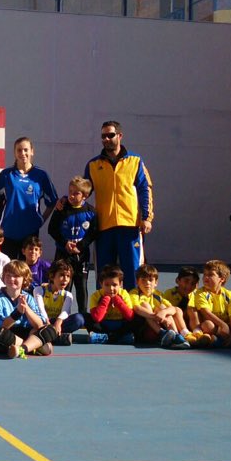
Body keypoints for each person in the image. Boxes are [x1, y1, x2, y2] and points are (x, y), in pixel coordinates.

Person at [82, 120, 154, 290]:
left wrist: (146, 217)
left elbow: (145, 189)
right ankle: (104, 312)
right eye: (103, 136)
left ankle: (132, 313)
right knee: (104, 273)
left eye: (110, 135)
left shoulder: (135, 161)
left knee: (133, 271)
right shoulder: (93, 165)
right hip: (104, 227)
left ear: (120, 136)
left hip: (130, 226)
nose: (106, 139)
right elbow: (82, 191)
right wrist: (67, 201)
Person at [0, 136, 58, 259]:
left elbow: (52, 201)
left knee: (26, 271)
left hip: (30, 233)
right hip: (8, 231)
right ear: (15, 153)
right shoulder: (7, 175)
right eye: (19, 150)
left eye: (26, 150)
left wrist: (41, 220)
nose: (23, 153)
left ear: (32, 151)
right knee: (8, 270)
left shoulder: (40, 175)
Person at [0, 260, 55, 359]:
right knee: (0, 335)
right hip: (4, 332)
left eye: (16, 276)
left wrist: (27, 309)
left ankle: (22, 349)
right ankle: (34, 345)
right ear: (3, 278)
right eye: (8, 276)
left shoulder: (28, 298)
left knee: (50, 329)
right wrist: (17, 312)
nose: (11, 279)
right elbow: (1, 326)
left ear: (24, 279)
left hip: (24, 332)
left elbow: (39, 324)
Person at [48, 175, 98, 309]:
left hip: (81, 256)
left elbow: (93, 232)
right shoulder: (61, 209)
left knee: (81, 285)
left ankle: (83, 318)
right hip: (63, 254)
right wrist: (64, 243)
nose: (71, 196)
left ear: (85, 196)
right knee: (64, 285)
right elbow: (51, 229)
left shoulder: (91, 212)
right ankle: (61, 316)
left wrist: (81, 246)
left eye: (76, 193)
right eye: (70, 192)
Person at [129, 264, 190, 349]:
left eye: (150, 280)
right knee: (145, 305)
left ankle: (176, 336)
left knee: (163, 307)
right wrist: (155, 316)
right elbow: (137, 308)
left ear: (156, 283)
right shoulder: (134, 293)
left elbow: (173, 309)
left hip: (157, 327)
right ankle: (162, 334)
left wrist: (163, 313)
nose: (147, 283)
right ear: (137, 282)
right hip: (143, 329)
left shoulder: (157, 295)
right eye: (143, 280)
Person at [33, 260, 85, 347]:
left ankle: (46, 337)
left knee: (79, 319)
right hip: (43, 322)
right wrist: (47, 322)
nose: (65, 279)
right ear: (52, 276)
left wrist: (58, 322)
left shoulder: (68, 295)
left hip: (58, 324)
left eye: (68, 276)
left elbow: (65, 312)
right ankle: (58, 337)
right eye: (61, 275)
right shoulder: (39, 290)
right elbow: (40, 309)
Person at [86, 264, 135, 344]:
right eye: (107, 285)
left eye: (114, 285)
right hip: (103, 325)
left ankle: (105, 337)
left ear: (120, 284)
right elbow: (97, 318)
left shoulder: (124, 294)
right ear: (101, 284)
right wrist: (106, 300)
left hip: (120, 325)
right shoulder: (95, 296)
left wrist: (117, 300)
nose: (111, 289)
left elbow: (129, 316)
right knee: (86, 318)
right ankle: (119, 338)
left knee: (137, 319)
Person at [163, 266, 200, 335]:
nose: (189, 286)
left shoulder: (197, 295)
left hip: (192, 325)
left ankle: (198, 333)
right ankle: (184, 335)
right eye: (186, 281)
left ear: (197, 285)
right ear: (177, 280)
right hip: (176, 326)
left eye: (193, 283)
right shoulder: (168, 294)